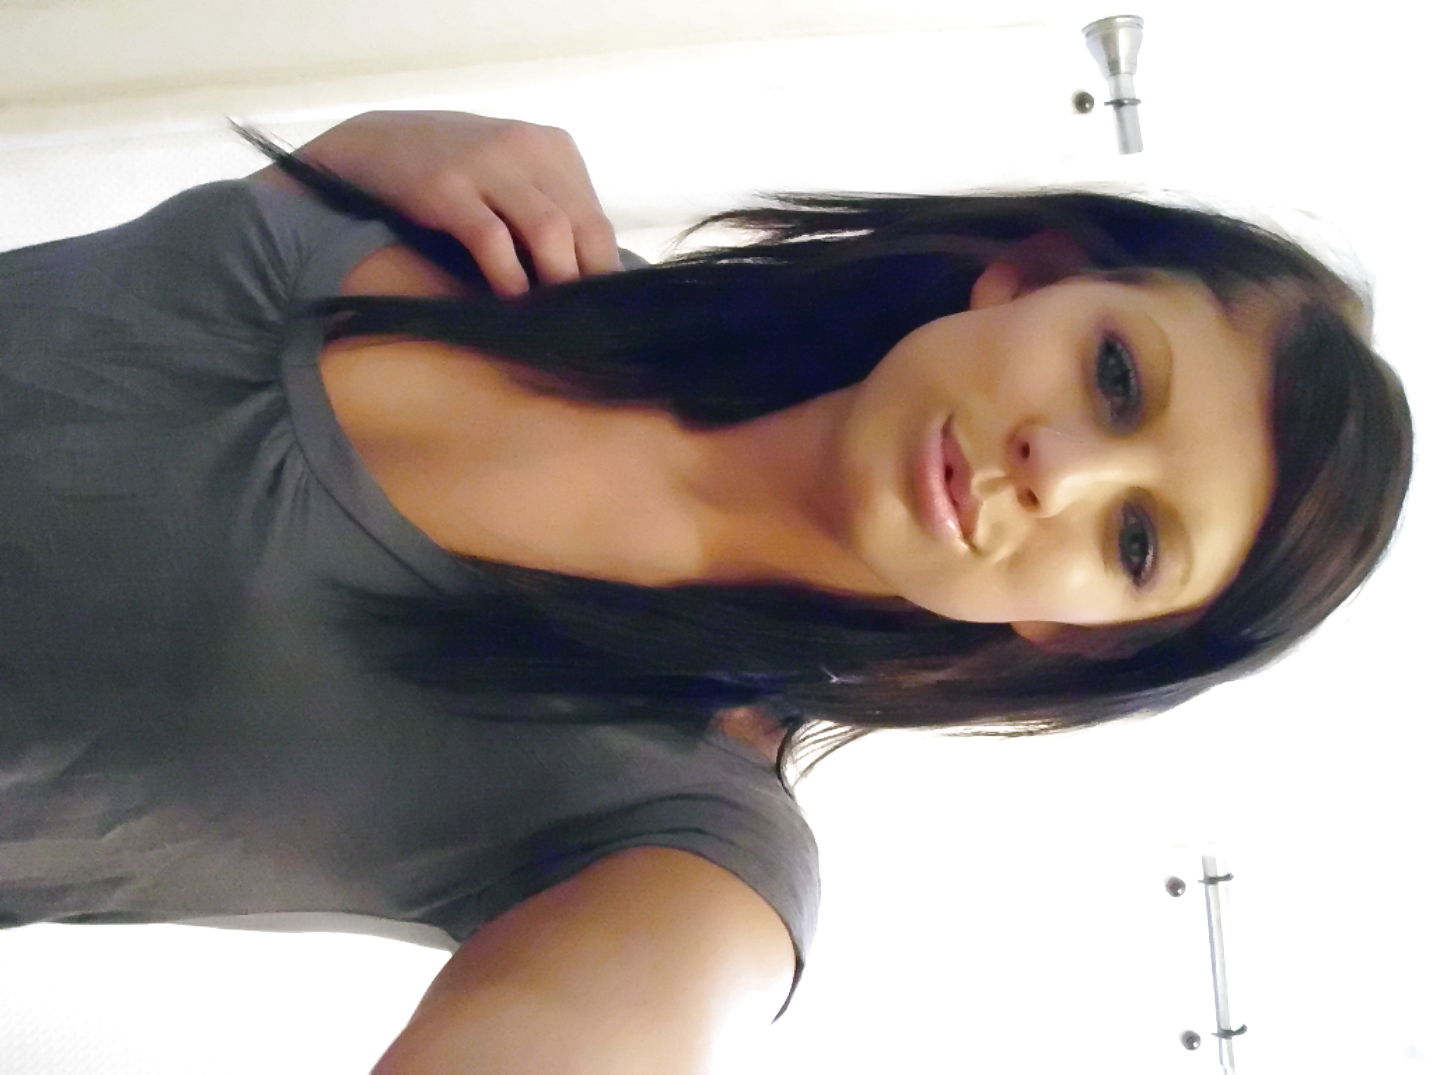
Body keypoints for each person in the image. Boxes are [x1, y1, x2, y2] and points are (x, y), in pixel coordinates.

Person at [0, 110, 1412, 1073]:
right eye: (1115, 376)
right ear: (1033, 277)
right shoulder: (477, 229)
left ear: (1073, 636)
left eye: (1137, 543)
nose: (1061, 469)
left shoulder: (684, 860)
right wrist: (340, 156)